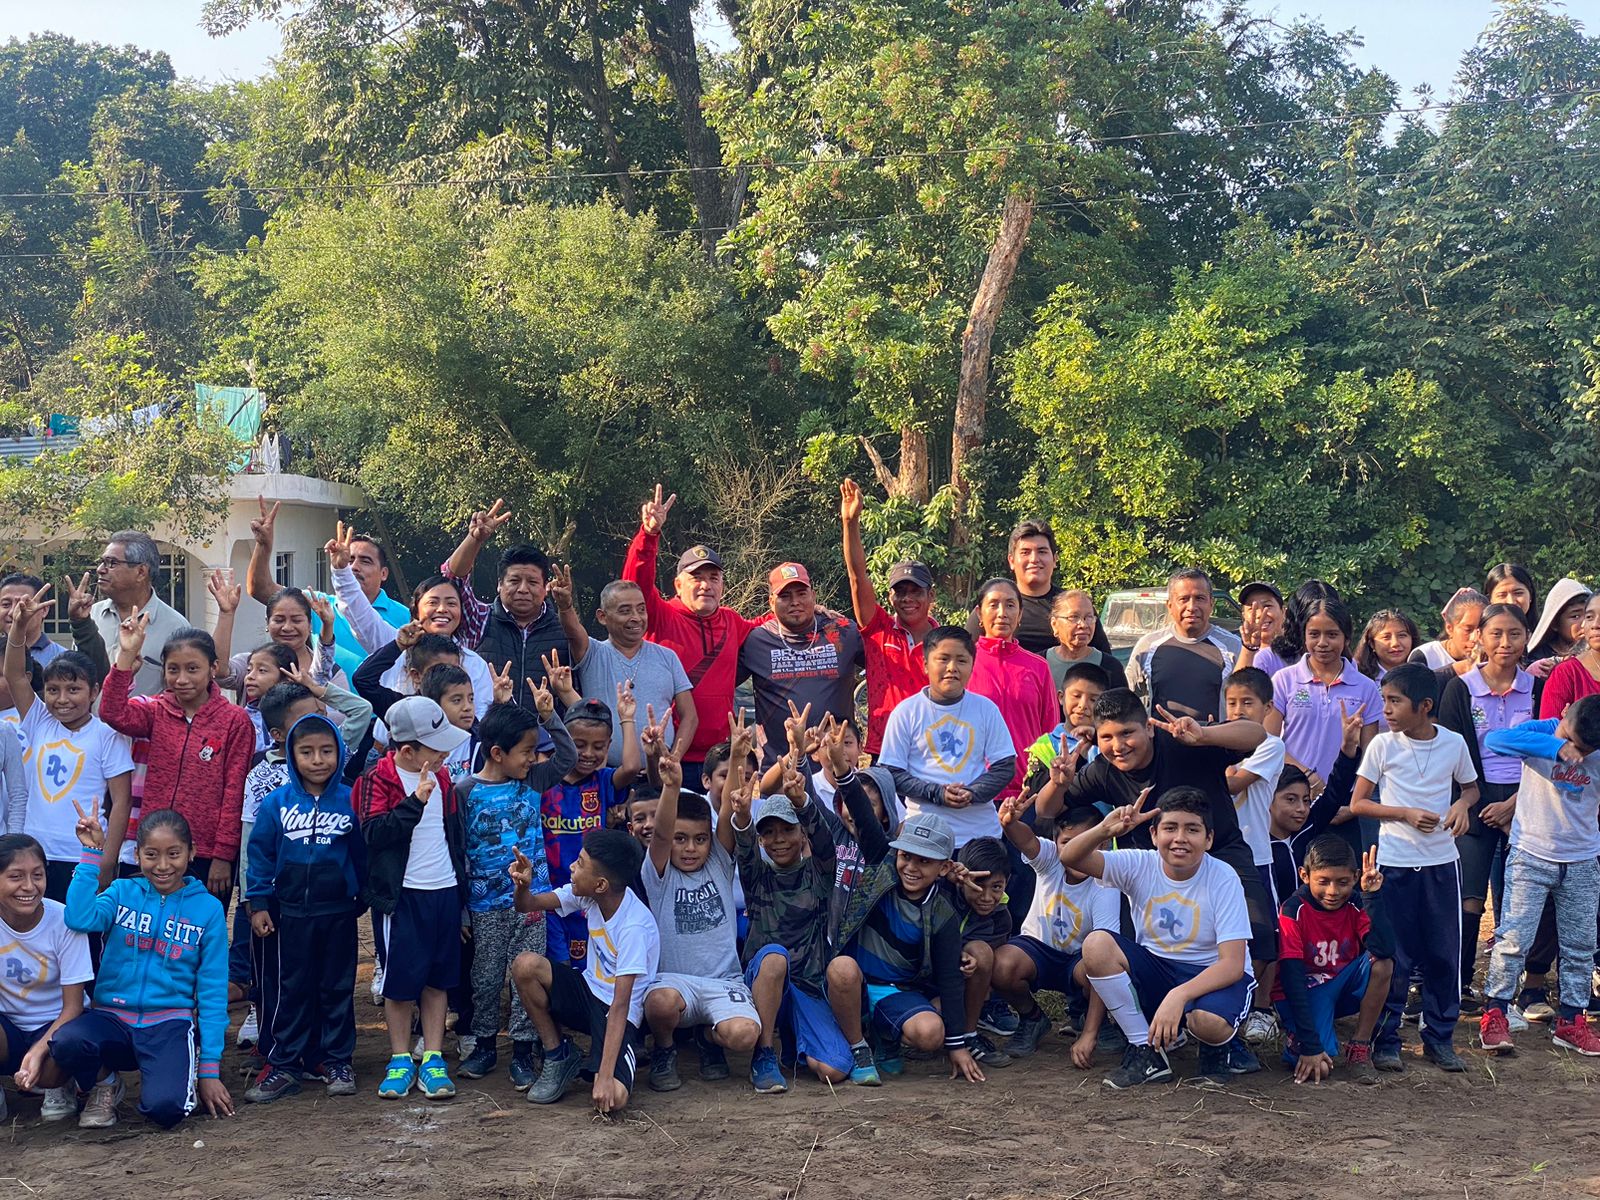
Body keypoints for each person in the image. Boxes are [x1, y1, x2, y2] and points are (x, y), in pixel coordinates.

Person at [1037, 689, 1279, 1026]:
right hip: (1151, 867)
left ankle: (1246, 1010)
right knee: (1120, 942)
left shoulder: (1184, 741)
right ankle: (1131, 1019)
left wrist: (1204, 735)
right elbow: (1047, 809)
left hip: (1219, 850)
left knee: (1260, 933)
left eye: (1127, 733)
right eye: (1107, 737)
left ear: (1149, 728)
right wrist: (1058, 785)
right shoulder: (1103, 770)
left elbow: (1256, 734)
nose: (1118, 746)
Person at [1063, 788, 1257, 1088]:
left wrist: (1178, 995)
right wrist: (1105, 829)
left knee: (1207, 1023)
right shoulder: (1139, 863)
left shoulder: (1223, 876)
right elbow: (1070, 857)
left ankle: (1218, 1048)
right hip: (1159, 970)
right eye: (1170, 828)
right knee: (1096, 944)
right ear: (1154, 834)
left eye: (1192, 829)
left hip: (1213, 975)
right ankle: (1146, 1051)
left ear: (1209, 839)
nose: (1180, 838)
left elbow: (1232, 965)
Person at [53, 808, 234, 1129]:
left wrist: (209, 1071)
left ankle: (182, 1068)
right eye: (151, 855)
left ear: (191, 852)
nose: (162, 866)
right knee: (67, 1042)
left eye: (174, 854)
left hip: (169, 1024)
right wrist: (92, 853)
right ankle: (106, 1082)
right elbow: (78, 918)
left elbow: (213, 991)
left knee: (166, 1110)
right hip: (111, 1018)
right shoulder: (122, 892)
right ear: (136, 855)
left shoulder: (207, 909)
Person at [1349, 662, 1479, 1072]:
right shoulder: (1382, 746)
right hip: (1395, 863)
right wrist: (1403, 813)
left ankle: (1439, 1037)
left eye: (1395, 701)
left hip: (1442, 863)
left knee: (1443, 953)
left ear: (1424, 706)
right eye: (1384, 700)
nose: (1386, 710)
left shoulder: (1453, 743)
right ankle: (1386, 1039)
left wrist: (1461, 805)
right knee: (1395, 956)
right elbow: (1359, 803)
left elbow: (1471, 789)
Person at [243, 713, 368, 1102]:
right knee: (291, 989)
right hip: (289, 914)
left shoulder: (350, 799)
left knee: (337, 988)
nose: (317, 760)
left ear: (340, 753)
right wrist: (258, 902)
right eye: (307, 752)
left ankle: (336, 1061)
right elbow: (260, 855)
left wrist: (360, 894)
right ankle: (284, 1064)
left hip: (338, 913)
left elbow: (362, 853)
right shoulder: (276, 804)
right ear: (292, 755)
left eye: (327, 751)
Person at [353, 696, 472, 1101]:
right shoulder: (377, 779)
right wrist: (414, 803)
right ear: (407, 751)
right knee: (400, 984)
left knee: (438, 979)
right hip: (402, 897)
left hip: (443, 891)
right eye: (436, 748)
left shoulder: (443, 779)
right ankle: (401, 1058)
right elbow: (374, 834)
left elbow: (453, 837)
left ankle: (433, 1056)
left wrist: (460, 895)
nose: (444, 755)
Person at [457, 697, 577, 1088]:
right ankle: (485, 1046)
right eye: (526, 751)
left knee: (524, 975)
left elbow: (568, 757)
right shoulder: (465, 791)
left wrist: (549, 716)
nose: (532, 759)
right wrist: (462, 909)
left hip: (531, 902)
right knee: (486, 976)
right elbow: (458, 851)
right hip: (485, 906)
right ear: (497, 753)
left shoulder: (532, 781)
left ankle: (523, 1051)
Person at [825, 802, 984, 1088]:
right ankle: (859, 1047)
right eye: (906, 856)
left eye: (924, 861)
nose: (911, 867)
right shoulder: (880, 873)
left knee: (931, 1033)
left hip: (897, 992)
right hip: (854, 984)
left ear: (944, 867)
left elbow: (950, 979)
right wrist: (843, 777)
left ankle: (886, 1036)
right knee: (841, 967)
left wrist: (956, 1045)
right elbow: (864, 817)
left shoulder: (943, 913)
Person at [733, 720, 853, 1091]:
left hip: (807, 986)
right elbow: (744, 848)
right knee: (774, 958)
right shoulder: (758, 876)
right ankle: (764, 1053)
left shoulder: (818, 873)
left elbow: (825, 842)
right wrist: (742, 817)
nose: (779, 839)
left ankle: (794, 1039)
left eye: (787, 829)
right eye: (769, 832)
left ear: (801, 834)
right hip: (764, 981)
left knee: (833, 1069)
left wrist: (802, 801)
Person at [99, 619, 254, 904]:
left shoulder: (235, 720)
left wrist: (223, 855)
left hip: (205, 851)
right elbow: (111, 712)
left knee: (198, 924)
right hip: (154, 845)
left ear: (213, 668)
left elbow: (234, 791)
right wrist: (126, 657)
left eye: (192, 669)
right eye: (173, 669)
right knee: (146, 921)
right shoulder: (155, 711)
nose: (182, 679)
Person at [1477, 700, 1600, 1056]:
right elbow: (1495, 740)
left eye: (1585, 749)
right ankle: (1495, 1013)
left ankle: (1572, 1020)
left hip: (1582, 859)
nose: (1577, 752)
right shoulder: (1540, 732)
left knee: (1580, 946)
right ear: (1564, 713)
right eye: (1571, 738)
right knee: (1513, 938)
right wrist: (1556, 747)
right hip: (1530, 854)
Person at [508, 828, 659, 1111]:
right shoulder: (589, 895)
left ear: (600, 884)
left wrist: (605, 1077)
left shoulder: (634, 927)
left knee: (612, 1099)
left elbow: (621, 1004)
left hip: (617, 1011)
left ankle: (607, 1066)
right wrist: (523, 886)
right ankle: (558, 1055)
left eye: (580, 863)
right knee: (525, 965)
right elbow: (527, 905)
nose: (571, 867)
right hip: (588, 991)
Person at [622, 485, 762, 791]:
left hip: (719, 759)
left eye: (713, 578)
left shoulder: (732, 621)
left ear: (722, 585)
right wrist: (649, 535)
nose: (706, 585)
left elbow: (769, 625)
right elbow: (635, 585)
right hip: (667, 753)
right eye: (696, 577)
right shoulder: (661, 614)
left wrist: (813, 613)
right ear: (678, 584)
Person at [639, 746, 762, 1092]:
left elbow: (727, 810)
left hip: (724, 982)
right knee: (658, 1004)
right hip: (674, 982)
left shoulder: (719, 863)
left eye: (700, 840)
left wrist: (737, 756)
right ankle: (665, 1048)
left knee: (745, 1035)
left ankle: (708, 1039)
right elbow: (661, 833)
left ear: (711, 840)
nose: (690, 848)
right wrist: (671, 787)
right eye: (681, 839)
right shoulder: (658, 874)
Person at [3, 585, 133, 898]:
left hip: (83, 853)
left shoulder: (107, 735)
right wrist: (19, 626)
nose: (62, 699)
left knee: (78, 924)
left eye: (73, 690)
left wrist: (107, 859)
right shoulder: (39, 720)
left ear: (94, 692)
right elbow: (16, 675)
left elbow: (122, 802)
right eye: (53, 690)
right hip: (34, 853)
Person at [1435, 603, 1533, 1001]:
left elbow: (1548, 751)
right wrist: (1478, 802)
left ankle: (1513, 989)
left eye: (1514, 633)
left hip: (1529, 801)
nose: (1505, 642)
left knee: (1521, 900)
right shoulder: (1460, 688)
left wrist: (1515, 803)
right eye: (1496, 633)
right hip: (1473, 802)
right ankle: (1457, 985)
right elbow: (1452, 751)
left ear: (1527, 637)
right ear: (1480, 637)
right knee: (1469, 898)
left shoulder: (1537, 686)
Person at [991, 800, 1118, 1064]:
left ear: (1103, 844)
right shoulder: (1050, 860)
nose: (1076, 850)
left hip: (1079, 961)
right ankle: (1032, 1018)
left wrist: (1089, 1035)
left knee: (1103, 965)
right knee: (1001, 964)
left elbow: (1106, 958)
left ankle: (1093, 1021)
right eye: (1067, 842)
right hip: (1038, 950)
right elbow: (1026, 841)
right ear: (1054, 843)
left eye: (1087, 841)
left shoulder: (1107, 882)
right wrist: (1010, 823)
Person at [326, 523, 496, 718]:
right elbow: (358, 612)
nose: (442, 609)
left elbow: (480, 717)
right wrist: (341, 572)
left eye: (451, 603)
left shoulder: (475, 664)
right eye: (433, 602)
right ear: (416, 611)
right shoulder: (394, 645)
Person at [877, 626, 1017, 846]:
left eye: (961, 660)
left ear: (972, 666)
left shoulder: (986, 709)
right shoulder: (906, 712)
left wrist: (972, 793)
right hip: (923, 836)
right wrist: (936, 793)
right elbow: (891, 772)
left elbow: (1005, 766)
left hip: (980, 835)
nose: (952, 668)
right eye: (943, 659)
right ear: (925, 664)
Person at [245, 499, 410, 681]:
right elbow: (261, 589)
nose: (353, 567)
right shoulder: (320, 606)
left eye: (365, 561)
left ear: (384, 573)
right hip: (325, 699)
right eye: (349, 560)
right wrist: (263, 545)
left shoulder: (404, 616)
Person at [1274, 837, 1394, 1085]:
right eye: (1323, 881)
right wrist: (1310, 1044)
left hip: (1340, 984)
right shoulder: (1293, 910)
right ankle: (1297, 1038)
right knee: (1320, 1067)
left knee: (1383, 964)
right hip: (1304, 992)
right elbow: (1291, 978)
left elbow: (1384, 949)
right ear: (1305, 876)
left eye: (1342, 882)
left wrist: (1372, 896)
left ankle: (1360, 1046)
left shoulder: (1356, 902)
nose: (1333, 891)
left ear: (1355, 877)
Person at [1266, 596, 1380, 849]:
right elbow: (1269, 742)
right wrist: (1309, 778)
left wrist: (1352, 804)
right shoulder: (1284, 680)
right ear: (1304, 636)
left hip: (1344, 805)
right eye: (1314, 634)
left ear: (1346, 638)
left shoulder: (1365, 687)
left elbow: (1371, 756)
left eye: (1332, 634)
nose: (1322, 643)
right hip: (1293, 804)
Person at [437, 501, 571, 711]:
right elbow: (453, 579)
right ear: (499, 584)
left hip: (548, 731)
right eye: (514, 581)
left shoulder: (564, 627)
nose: (523, 589)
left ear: (546, 587)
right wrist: (475, 539)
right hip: (488, 729)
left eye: (532, 582)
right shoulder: (480, 619)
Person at [541, 687, 641, 966]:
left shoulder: (603, 782)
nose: (588, 754)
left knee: (587, 969)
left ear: (609, 746)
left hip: (589, 896)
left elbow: (631, 767)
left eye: (599, 747)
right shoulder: (544, 780)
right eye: (579, 744)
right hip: (549, 895)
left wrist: (627, 719)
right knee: (556, 969)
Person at [0, 833, 91, 1124]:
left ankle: (61, 1083)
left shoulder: (64, 921)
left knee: (67, 1047)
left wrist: (39, 1050)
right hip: (9, 1028)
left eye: (37, 875)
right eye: (16, 876)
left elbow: (74, 1007)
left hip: (57, 1026)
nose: (29, 886)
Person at [839, 478, 934, 755]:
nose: (907, 599)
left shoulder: (944, 643)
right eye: (900, 591)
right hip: (885, 749)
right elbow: (858, 576)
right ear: (890, 596)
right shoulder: (878, 630)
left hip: (931, 751)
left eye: (915, 591)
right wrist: (850, 523)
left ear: (931, 595)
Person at [559, 576, 697, 767]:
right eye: (625, 611)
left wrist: (673, 758)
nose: (636, 617)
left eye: (641, 609)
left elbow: (690, 716)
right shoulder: (592, 652)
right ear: (602, 617)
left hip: (658, 774)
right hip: (604, 774)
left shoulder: (667, 657)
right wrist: (565, 606)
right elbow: (573, 630)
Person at [739, 562, 864, 765]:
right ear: (771, 602)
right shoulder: (756, 641)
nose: (795, 602)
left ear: (813, 596)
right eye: (785, 596)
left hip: (837, 768)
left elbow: (885, 667)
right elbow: (720, 682)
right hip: (779, 770)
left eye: (801, 594)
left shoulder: (843, 631)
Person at [1221, 667, 1288, 1042]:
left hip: (1256, 856)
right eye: (1232, 703)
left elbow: (1233, 784)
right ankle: (1230, 1004)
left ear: (1268, 708)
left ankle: (1262, 1008)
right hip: (1218, 856)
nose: (1238, 710)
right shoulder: (1218, 742)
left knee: (1265, 934)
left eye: (1247, 702)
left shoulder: (1270, 746)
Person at [964, 520, 1114, 658]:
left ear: (1055, 559)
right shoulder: (993, 609)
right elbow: (964, 658)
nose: (1034, 559)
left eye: (1042, 551)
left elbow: (1104, 662)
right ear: (1011, 561)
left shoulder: (1074, 606)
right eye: (1025, 552)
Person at [969, 579, 1060, 801]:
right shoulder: (964, 663)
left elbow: (1050, 731)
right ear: (979, 614)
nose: (1002, 613)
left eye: (1010, 605)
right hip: (975, 789)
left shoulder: (1038, 667)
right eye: (993, 605)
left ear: (1020, 614)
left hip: (1027, 791)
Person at [1126, 567, 1242, 723]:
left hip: (1216, 738)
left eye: (1200, 598)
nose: (1192, 607)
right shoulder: (1148, 646)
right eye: (1183, 599)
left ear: (1211, 604)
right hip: (1159, 739)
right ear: (1169, 606)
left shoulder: (1232, 647)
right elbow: (1126, 698)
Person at [946, 836, 1017, 1068]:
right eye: (977, 886)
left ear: (1007, 882)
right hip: (925, 980)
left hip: (956, 986)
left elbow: (985, 966)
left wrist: (969, 965)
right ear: (961, 879)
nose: (986, 897)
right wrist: (954, 955)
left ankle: (968, 1034)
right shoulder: (941, 893)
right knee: (928, 1031)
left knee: (981, 952)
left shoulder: (1001, 918)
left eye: (996, 887)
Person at [90, 531, 189, 697]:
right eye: (102, 562)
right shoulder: (92, 615)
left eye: (112, 563)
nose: (100, 570)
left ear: (141, 572)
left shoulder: (176, 628)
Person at [213, 583, 347, 702]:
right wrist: (226, 613)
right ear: (267, 622)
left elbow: (340, 715)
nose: (287, 627)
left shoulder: (330, 672)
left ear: (310, 624)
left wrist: (327, 624)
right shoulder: (250, 663)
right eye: (279, 620)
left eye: (296, 620)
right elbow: (219, 671)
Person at [0, 570, 108, 682]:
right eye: (6, 605)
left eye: (23, 605)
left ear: (44, 610)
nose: (13, 612)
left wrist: (81, 622)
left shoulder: (63, 659)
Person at [1044, 589, 1128, 696]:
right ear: (1054, 624)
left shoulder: (1110, 666)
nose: (1083, 625)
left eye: (1089, 617)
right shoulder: (1038, 665)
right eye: (1074, 617)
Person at [1411, 588, 1486, 673]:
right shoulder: (1426, 656)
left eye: (1482, 630)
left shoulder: (1493, 657)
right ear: (1449, 628)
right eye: (1468, 630)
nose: (1475, 638)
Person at [1234, 581, 1288, 678]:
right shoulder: (1234, 651)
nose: (1260, 614)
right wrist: (1249, 648)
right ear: (1244, 616)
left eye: (1267, 606)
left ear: (1283, 611)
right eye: (1252, 608)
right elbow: (1238, 685)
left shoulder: (1299, 651)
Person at [1355, 609, 1420, 683]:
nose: (1395, 643)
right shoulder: (1358, 679)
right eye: (1386, 637)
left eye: (1402, 635)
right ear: (1372, 644)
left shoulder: (1425, 674)